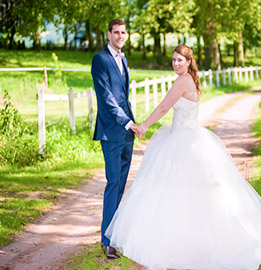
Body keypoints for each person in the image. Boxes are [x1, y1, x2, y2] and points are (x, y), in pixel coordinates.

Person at [105, 44, 261, 269]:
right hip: (182, 135)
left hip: (185, 142)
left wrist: (142, 126)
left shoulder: (183, 81)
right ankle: (180, 240)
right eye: (173, 60)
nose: (175, 63)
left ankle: (189, 244)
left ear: (189, 62)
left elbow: (163, 108)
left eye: (180, 60)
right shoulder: (188, 79)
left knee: (185, 191)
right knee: (180, 191)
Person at [91, 18, 140, 259]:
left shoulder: (124, 59)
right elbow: (107, 99)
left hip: (126, 133)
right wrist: (127, 122)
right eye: (116, 32)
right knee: (112, 183)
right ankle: (106, 240)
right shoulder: (99, 60)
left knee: (121, 185)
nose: (120, 36)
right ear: (108, 34)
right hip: (111, 132)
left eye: (123, 32)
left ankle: (115, 232)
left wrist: (132, 124)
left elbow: (124, 97)